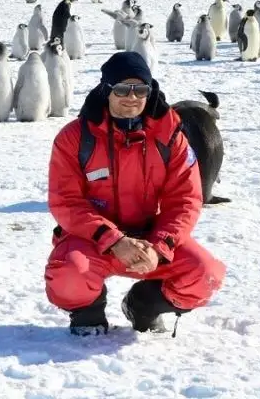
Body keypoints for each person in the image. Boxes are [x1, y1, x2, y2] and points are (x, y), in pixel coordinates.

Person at [44, 51, 227, 336]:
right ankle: (88, 313)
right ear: (106, 90)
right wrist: (113, 240)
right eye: (122, 89)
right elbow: (65, 201)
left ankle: (145, 305)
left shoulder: (170, 137)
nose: (132, 97)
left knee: (206, 274)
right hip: (92, 238)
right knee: (69, 275)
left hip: (150, 238)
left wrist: (159, 247)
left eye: (140, 89)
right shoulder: (75, 138)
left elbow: (185, 200)